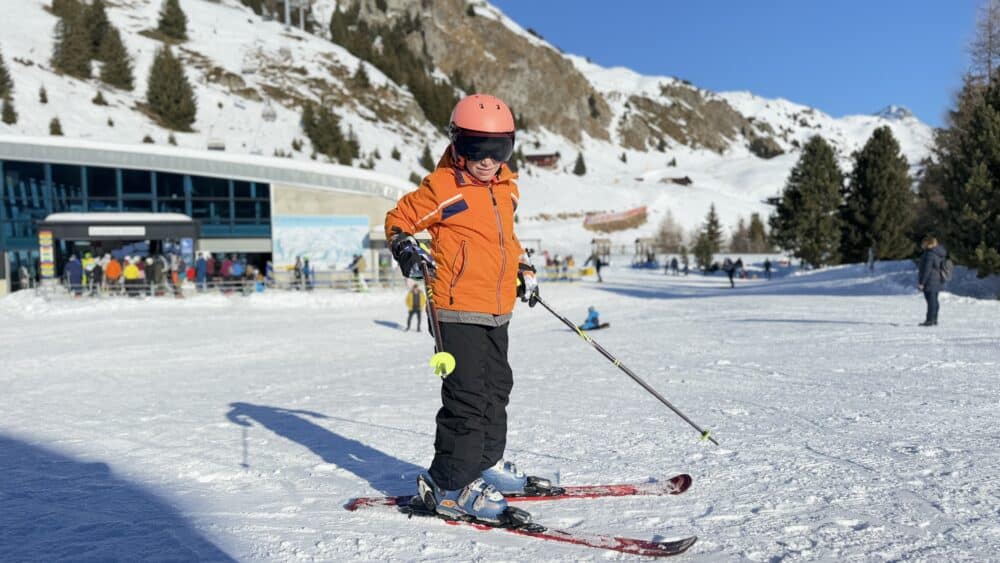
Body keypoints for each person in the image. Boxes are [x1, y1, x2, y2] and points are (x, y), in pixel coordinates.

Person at [385, 93, 542, 524]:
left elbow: (505, 240)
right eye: (476, 148)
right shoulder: (444, 187)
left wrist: (523, 266)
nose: (487, 160)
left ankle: (481, 464)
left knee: (497, 390)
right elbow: (398, 220)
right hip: (455, 310)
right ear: (456, 143)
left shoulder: (506, 190)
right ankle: (450, 484)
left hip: (496, 309)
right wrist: (405, 248)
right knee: (467, 397)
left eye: (499, 149)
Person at [917, 236, 947, 327]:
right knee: (934, 300)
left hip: (930, 280)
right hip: (937, 279)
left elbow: (927, 269)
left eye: (923, 243)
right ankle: (934, 319)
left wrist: (922, 282)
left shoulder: (929, 254)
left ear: (928, 243)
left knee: (931, 301)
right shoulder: (938, 253)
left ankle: (930, 320)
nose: (922, 245)